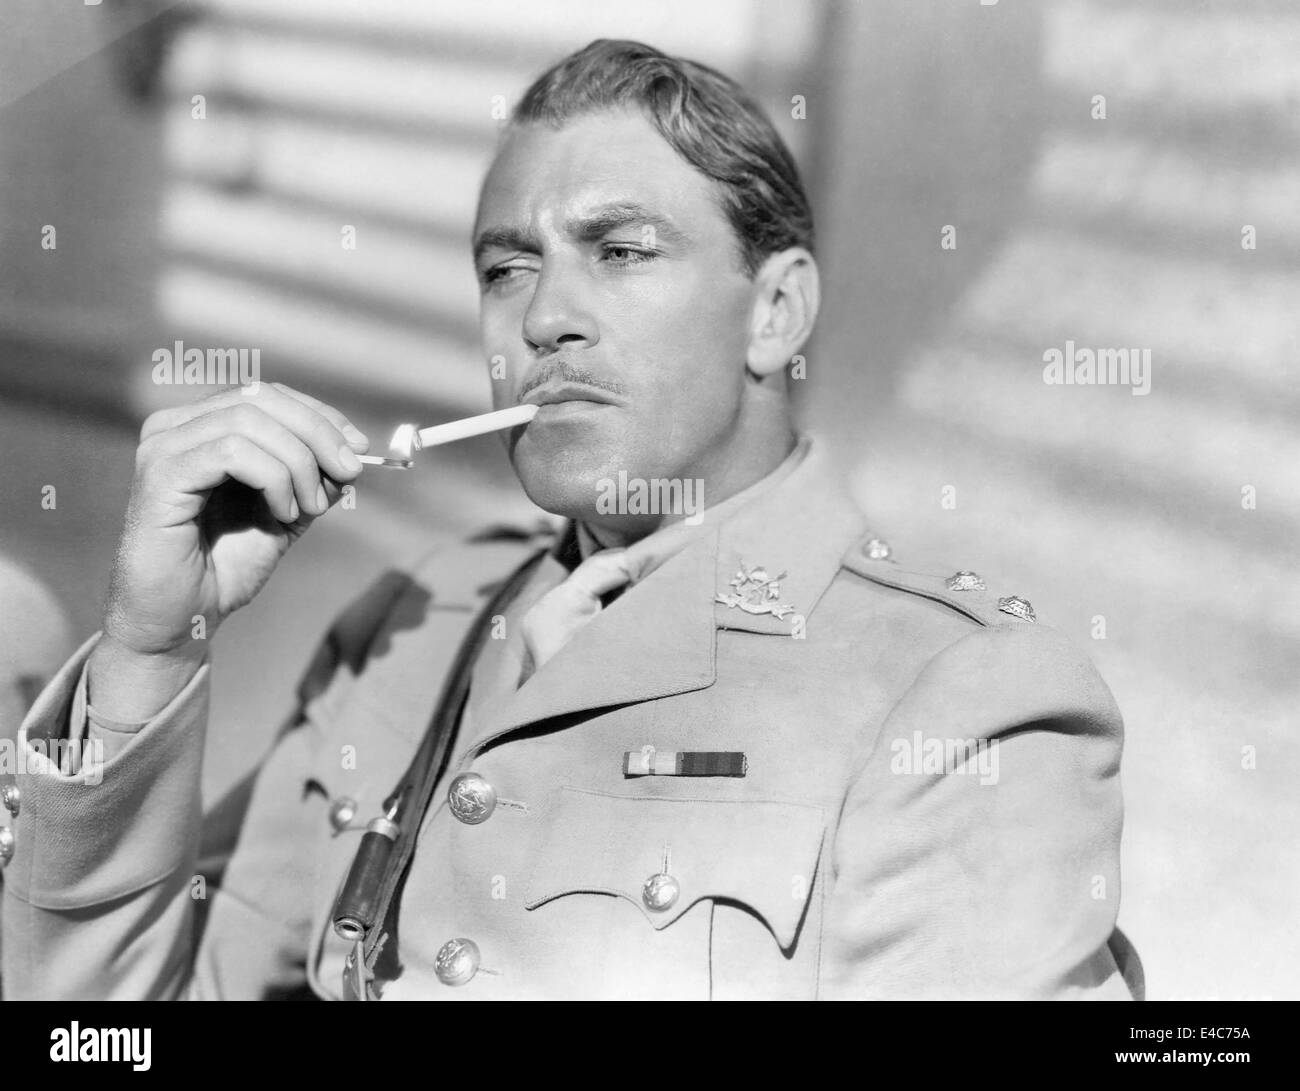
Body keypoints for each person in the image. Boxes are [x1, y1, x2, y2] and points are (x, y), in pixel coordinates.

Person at [1, 39, 1140, 1000]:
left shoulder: (959, 694)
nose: (545, 316)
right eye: (507, 269)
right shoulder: (412, 620)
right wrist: (152, 645)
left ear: (777, 311)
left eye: (621, 251)